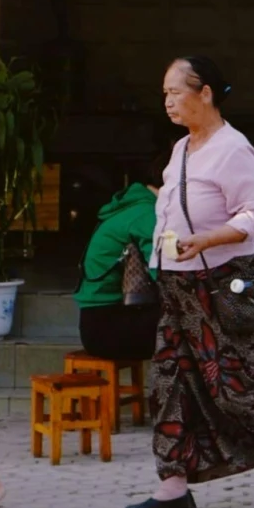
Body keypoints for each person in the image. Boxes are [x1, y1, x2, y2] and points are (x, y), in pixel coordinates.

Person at [125, 53, 254, 508]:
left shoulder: (233, 149)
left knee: (231, 387)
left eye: (175, 92)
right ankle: (174, 485)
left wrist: (207, 240)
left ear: (206, 94)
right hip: (177, 286)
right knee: (169, 382)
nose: (168, 102)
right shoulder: (182, 149)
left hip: (216, 284)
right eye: (165, 94)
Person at [75, 154, 165, 362]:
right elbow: (162, 271)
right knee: (193, 326)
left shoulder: (132, 206)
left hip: (97, 323)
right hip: (110, 326)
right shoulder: (146, 214)